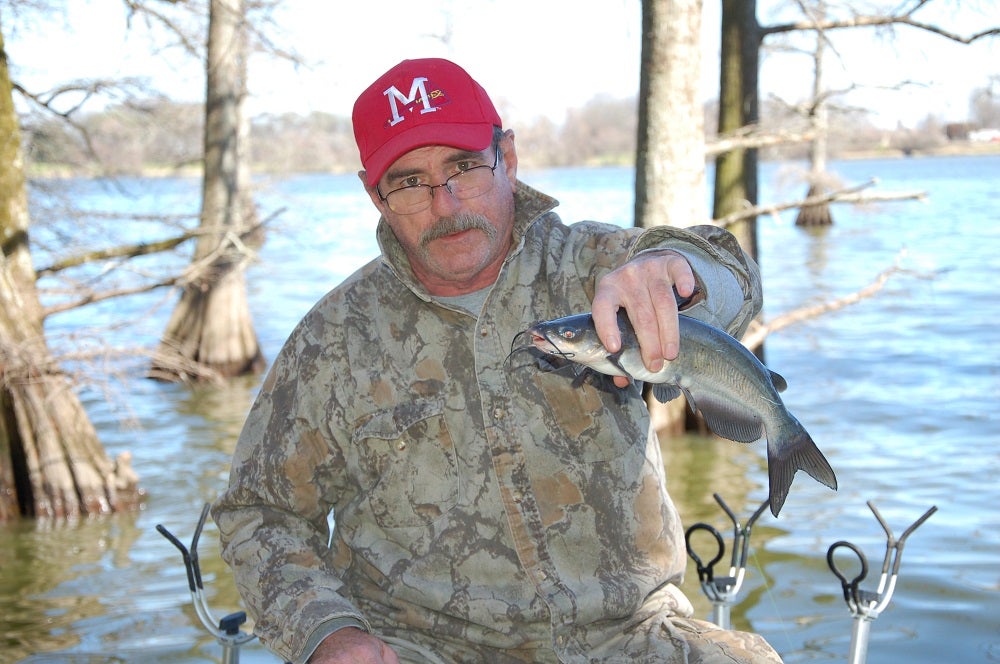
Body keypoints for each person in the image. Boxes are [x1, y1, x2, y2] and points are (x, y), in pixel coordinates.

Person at [212, 58, 781, 664]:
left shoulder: (594, 266)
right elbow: (261, 512)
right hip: (421, 648)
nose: (446, 201)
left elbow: (733, 273)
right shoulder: (331, 339)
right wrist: (328, 634)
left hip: (630, 636)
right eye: (410, 182)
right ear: (374, 195)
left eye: (464, 166)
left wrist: (684, 274)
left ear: (506, 157)